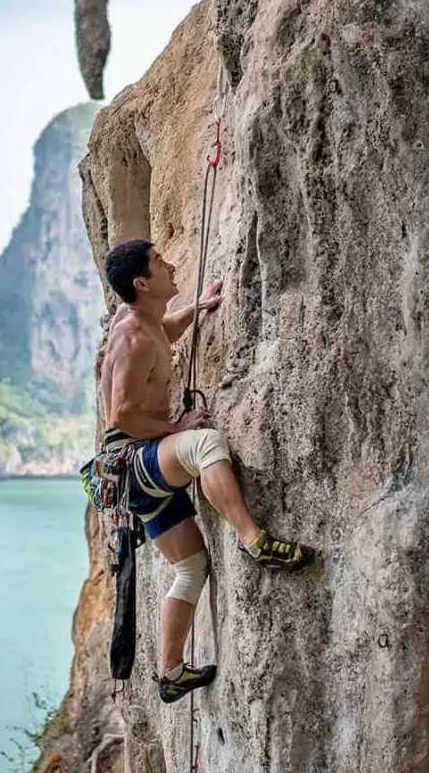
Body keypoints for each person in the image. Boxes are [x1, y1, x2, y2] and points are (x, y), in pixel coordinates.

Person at [100, 239, 316, 704]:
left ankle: (171, 671)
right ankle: (255, 540)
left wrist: (196, 309)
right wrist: (176, 427)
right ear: (141, 282)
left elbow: (165, 334)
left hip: (128, 475)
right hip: (134, 460)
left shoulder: (141, 321)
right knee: (204, 444)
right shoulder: (134, 336)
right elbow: (121, 415)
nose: (170, 264)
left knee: (191, 565)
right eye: (159, 263)